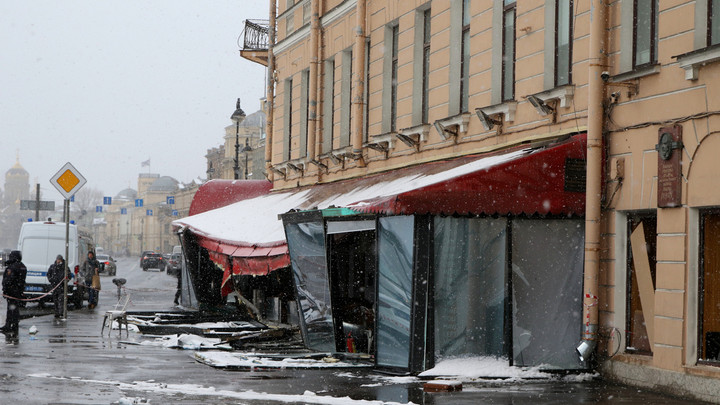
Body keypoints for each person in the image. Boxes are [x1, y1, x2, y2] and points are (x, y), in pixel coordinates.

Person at [1, 250, 27, 336]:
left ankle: (9, 325)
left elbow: (8, 280)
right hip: (18, 291)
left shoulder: (12, 267)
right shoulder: (22, 266)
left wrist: (5, 289)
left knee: (11, 308)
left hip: (11, 292)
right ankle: (14, 325)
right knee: (15, 308)